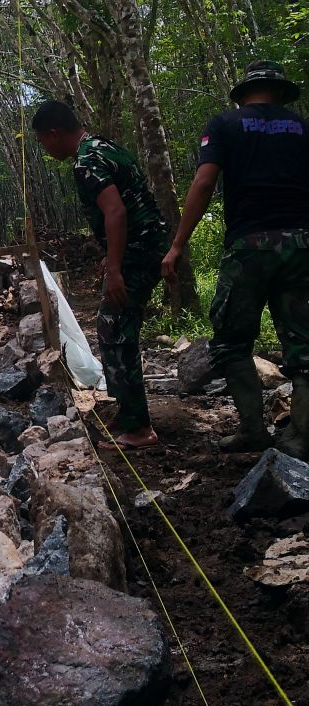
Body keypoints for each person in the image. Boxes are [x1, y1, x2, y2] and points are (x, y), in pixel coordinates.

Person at [162, 60, 309, 457]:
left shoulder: (224, 125)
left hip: (250, 246)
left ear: (243, 94)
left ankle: (253, 430)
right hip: (300, 246)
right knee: (303, 347)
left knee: (230, 342)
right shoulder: (301, 128)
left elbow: (205, 181)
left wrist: (178, 243)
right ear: (280, 92)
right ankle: (300, 439)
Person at [32, 100, 169, 450]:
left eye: (43, 142)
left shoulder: (86, 161)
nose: (45, 150)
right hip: (147, 245)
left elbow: (116, 211)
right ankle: (127, 415)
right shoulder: (105, 146)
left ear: (54, 133)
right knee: (115, 326)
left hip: (138, 252)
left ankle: (139, 428)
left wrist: (115, 267)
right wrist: (111, 255)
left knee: (115, 330)